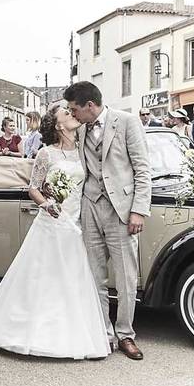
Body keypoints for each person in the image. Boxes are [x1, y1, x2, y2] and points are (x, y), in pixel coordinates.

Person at [0, 102, 109, 359]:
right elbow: (34, 188)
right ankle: (32, 332)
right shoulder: (46, 153)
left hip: (76, 221)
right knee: (44, 276)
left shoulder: (83, 149)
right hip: (52, 221)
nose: (72, 114)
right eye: (66, 112)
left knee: (73, 277)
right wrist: (48, 204)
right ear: (58, 124)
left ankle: (75, 333)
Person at [68, 81, 151, 360]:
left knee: (127, 277)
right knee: (95, 275)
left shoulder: (126, 122)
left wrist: (138, 210)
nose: (73, 115)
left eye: (75, 109)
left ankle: (126, 334)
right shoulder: (80, 130)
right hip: (90, 206)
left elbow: (142, 169)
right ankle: (104, 333)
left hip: (122, 210)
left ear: (90, 105)